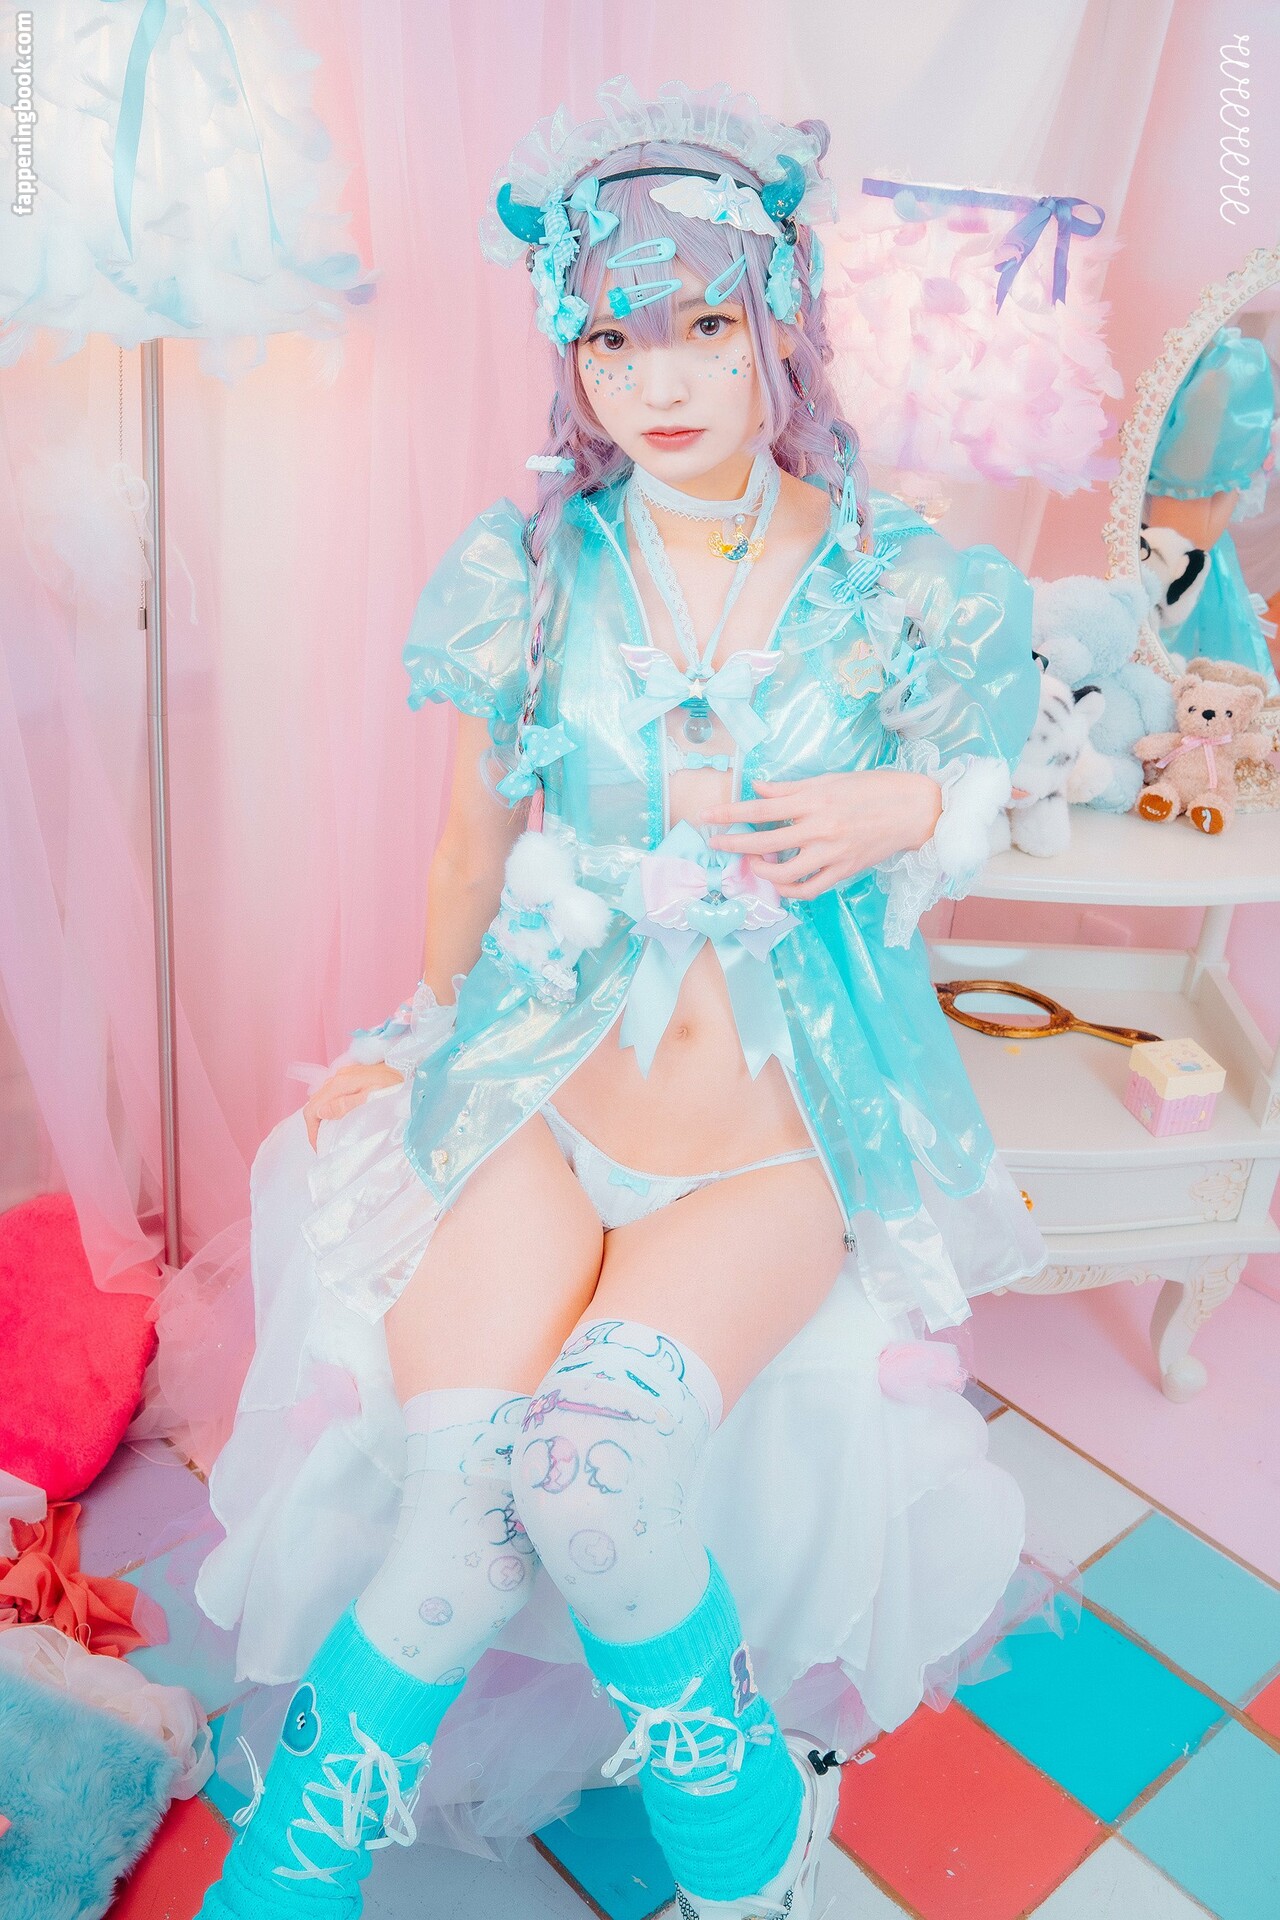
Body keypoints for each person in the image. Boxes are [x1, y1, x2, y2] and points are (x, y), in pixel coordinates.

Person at [194, 79, 1046, 1920]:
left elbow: (1019, 769)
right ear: (567, 353)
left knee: (589, 1476)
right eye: (611, 338)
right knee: (460, 1512)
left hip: (767, 1142)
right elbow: (468, 854)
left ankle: (745, 1847)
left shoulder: (899, 579)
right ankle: (281, 1880)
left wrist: (908, 804)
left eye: (704, 326)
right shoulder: (526, 568)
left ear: (778, 322)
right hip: (540, 1094)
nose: (658, 381)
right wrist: (420, 1036)